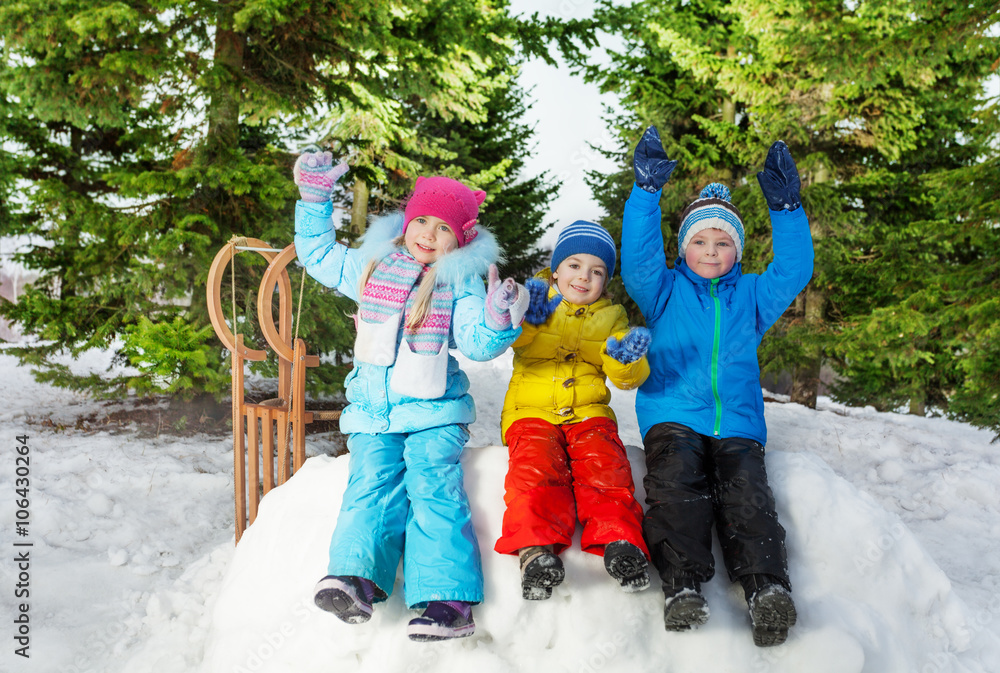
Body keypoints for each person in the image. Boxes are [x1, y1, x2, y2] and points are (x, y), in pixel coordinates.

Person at [292, 151, 528, 641]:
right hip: (375, 415)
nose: (428, 233)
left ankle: (447, 600)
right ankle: (356, 579)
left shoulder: (460, 283)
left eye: (442, 228)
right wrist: (315, 200)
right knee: (370, 483)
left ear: (459, 239)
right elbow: (317, 256)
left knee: (432, 488)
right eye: (421, 220)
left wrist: (496, 315)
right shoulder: (373, 265)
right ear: (406, 221)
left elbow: (480, 343)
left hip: (433, 416)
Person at [621, 127, 814, 647]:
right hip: (673, 414)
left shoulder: (752, 295)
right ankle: (682, 586)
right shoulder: (661, 290)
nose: (711, 251)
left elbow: (795, 269)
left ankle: (766, 589)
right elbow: (637, 258)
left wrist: (787, 208)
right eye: (700, 241)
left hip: (738, 422)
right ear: (683, 247)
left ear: (737, 249)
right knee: (677, 487)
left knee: (747, 496)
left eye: (723, 242)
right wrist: (645, 193)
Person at [494, 220, 653, 600]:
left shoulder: (611, 317)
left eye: (597, 271)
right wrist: (525, 318)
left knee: (606, 465)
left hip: (587, 412)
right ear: (555, 270)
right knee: (535, 470)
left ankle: (620, 541)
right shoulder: (536, 302)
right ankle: (535, 550)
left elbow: (627, 377)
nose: (584, 277)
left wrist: (625, 359)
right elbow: (514, 341)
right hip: (531, 411)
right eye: (575, 265)